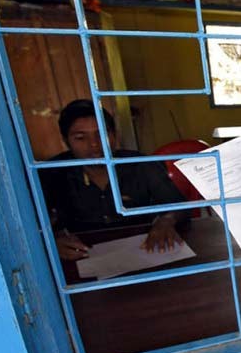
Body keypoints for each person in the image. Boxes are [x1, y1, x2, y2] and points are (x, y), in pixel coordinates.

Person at [41, 99, 189, 260]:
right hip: (82, 258)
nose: (94, 144)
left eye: (102, 134)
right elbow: (34, 224)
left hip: (146, 251)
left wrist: (167, 220)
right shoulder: (52, 173)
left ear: (114, 135)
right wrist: (52, 241)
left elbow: (179, 204)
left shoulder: (140, 164)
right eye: (80, 138)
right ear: (66, 141)